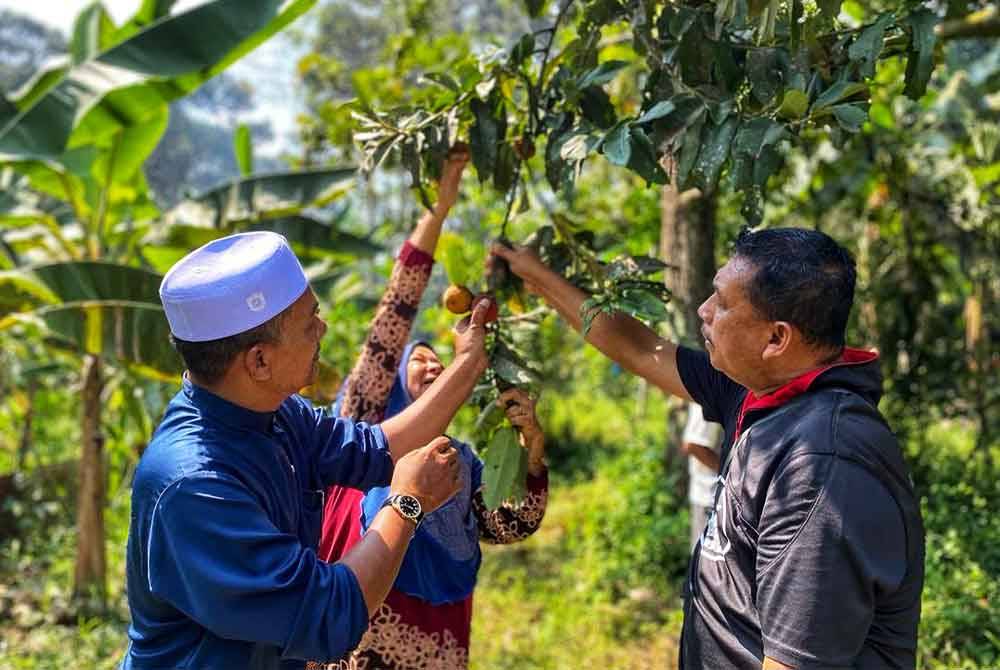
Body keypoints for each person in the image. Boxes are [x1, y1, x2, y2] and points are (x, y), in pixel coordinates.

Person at [492, 227, 925, 670]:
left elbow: (794, 663)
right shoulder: (759, 388)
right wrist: (538, 275)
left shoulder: (822, 463)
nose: (704, 309)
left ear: (776, 339)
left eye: (722, 302)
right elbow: (641, 349)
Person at [122, 230, 490, 669]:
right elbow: (328, 617)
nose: (323, 328)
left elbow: (376, 450)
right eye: (309, 321)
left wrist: (469, 362)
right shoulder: (195, 487)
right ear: (259, 361)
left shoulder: (276, 413)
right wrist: (407, 504)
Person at [312, 147, 548, 670]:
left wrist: (532, 451)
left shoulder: (454, 461)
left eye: (445, 362)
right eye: (420, 359)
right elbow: (392, 320)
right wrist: (437, 211)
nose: (435, 367)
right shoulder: (359, 432)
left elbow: (509, 525)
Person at [680, 401, 722, 551]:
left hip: (714, 497)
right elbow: (693, 444)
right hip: (709, 498)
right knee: (705, 565)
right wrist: (729, 471)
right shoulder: (709, 395)